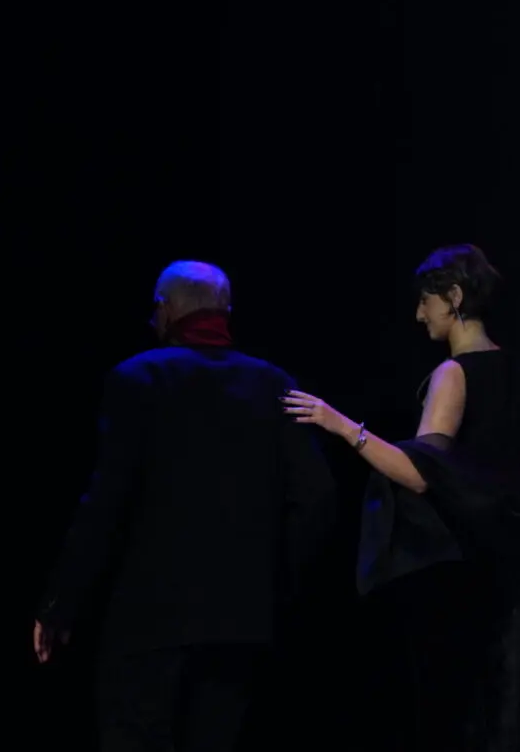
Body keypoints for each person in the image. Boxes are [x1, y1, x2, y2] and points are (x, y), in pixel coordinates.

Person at [36, 260, 335, 752]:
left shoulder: (137, 378)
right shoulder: (274, 384)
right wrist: (277, 582)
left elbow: (105, 504)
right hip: (241, 623)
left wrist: (61, 603)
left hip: (148, 620)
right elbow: (317, 498)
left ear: (165, 309)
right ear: (226, 311)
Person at [284, 244, 520, 752]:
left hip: (459, 570)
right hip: (516, 570)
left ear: (454, 297)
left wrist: (341, 425)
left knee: (452, 710)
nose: (419, 315)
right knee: (505, 709)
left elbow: (420, 474)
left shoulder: (453, 373)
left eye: (425, 301)